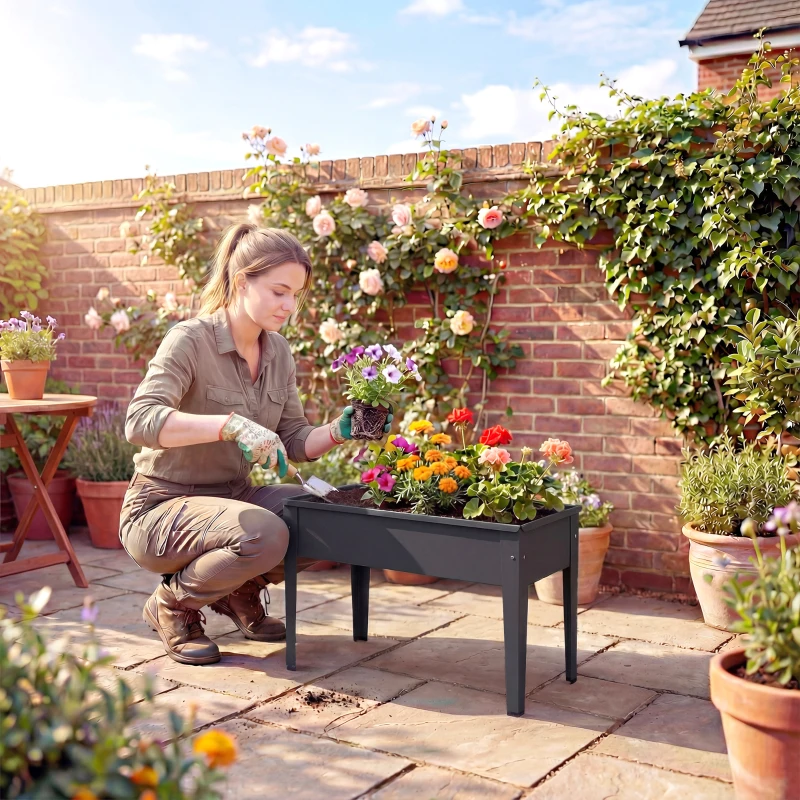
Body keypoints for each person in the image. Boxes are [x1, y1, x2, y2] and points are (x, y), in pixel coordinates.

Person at [119, 223, 392, 666]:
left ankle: (238, 590)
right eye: (278, 291)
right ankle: (172, 604)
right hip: (161, 506)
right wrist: (230, 426)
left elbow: (295, 440)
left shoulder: (278, 352)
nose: (289, 305)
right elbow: (140, 420)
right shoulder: (190, 340)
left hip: (233, 496)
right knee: (264, 532)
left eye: (295, 295)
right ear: (242, 279)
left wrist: (342, 430)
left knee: (333, 516)